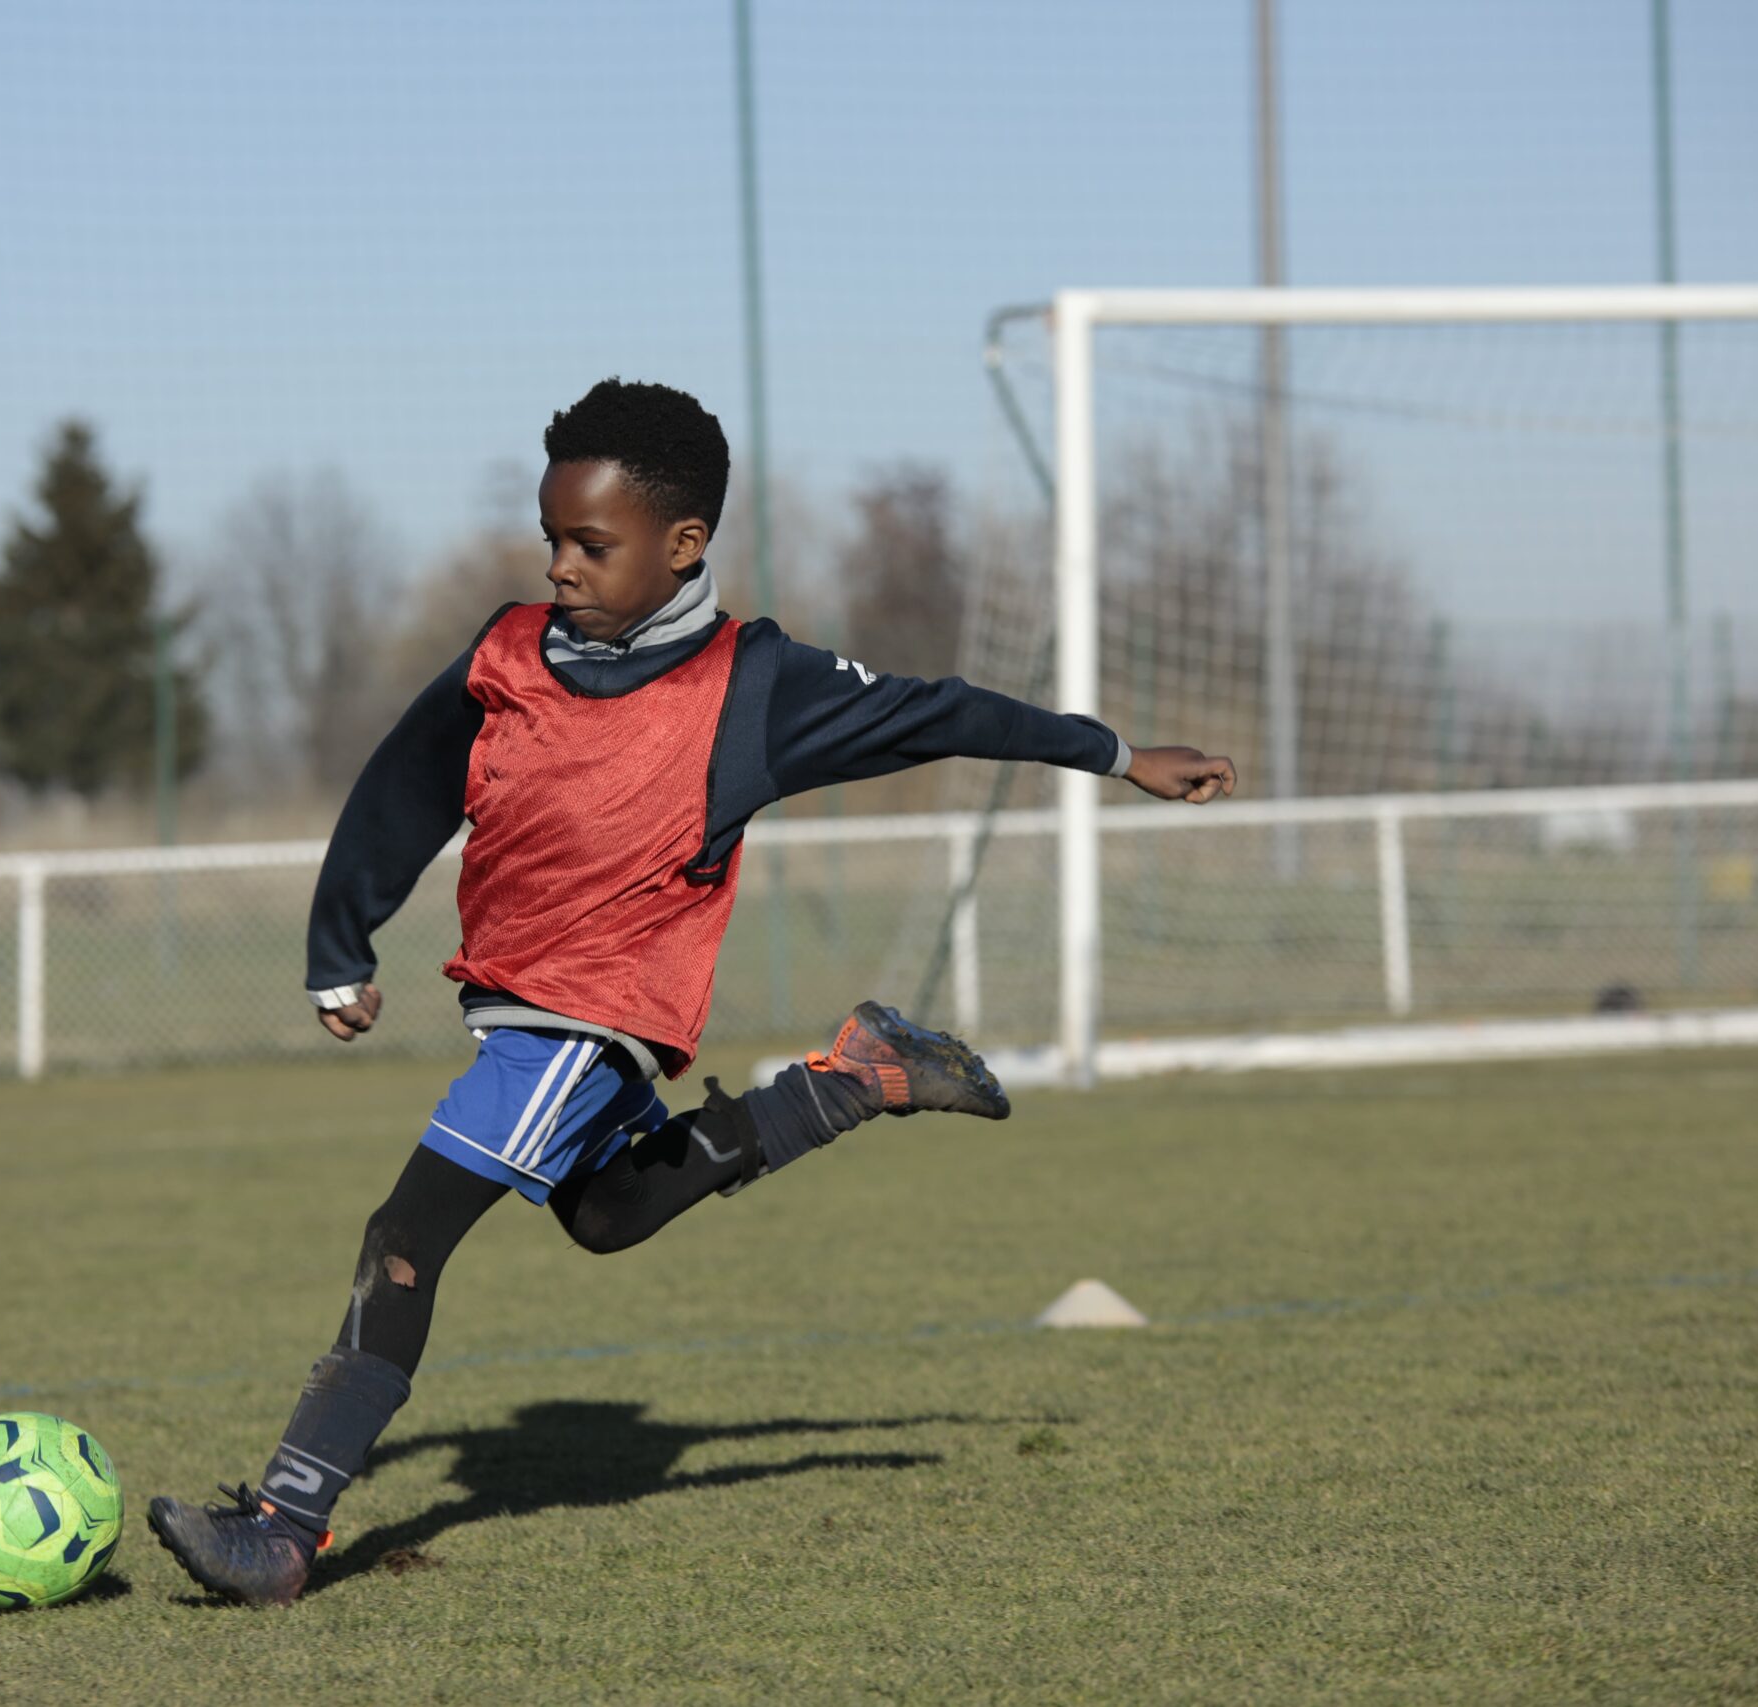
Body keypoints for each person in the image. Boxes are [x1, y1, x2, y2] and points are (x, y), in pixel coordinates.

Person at [148, 378, 1236, 1605]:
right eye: (551, 537)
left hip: (585, 1020)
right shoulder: (507, 653)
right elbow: (406, 784)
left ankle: (283, 1531)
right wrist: (339, 942)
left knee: (404, 1240)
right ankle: (853, 1080)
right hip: (519, 1013)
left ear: (682, 545)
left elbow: (939, 714)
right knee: (606, 1215)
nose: (559, 565)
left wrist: (1117, 754)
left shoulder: (751, 685)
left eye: (589, 544)